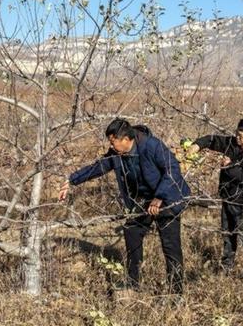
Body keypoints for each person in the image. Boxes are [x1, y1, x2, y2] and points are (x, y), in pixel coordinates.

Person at [59, 118, 190, 295]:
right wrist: (71, 180)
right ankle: (133, 282)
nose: (111, 146)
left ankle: (176, 292)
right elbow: (98, 167)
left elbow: (172, 169)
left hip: (167, 197)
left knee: (170, 245)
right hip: (142, 201)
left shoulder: (151, 146)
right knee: (132, 232)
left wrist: (159, 197)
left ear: (126, 139)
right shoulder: (116, 154)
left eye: (113, 142)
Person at [186, 118, 243, 282]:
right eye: (236, 134)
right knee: (227, 236)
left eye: (241, 136)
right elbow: (212, 140)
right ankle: (226, 267)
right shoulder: (232, 144)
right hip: (227, 199)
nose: (237, 138)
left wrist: (231, 167)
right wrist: (197, 144)